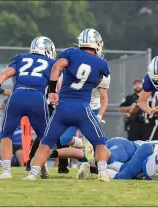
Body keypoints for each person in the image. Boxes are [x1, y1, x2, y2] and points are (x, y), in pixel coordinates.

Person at [24, 28, 111, 182]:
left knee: (46, 143)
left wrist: (52, 91)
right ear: (96, 43)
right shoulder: (102, 63)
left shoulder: (70, 53)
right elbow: (98, 81)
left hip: (63, 108)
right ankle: (103, 172)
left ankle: (33, 173)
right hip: (83, 109)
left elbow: (57, 67)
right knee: (100, 143)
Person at [0, 36, 56, 179]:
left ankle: (6, 172)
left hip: (17, 96)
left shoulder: (20, 58)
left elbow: (4, 75)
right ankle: (35, 171)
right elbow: (56, 85)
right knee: (46, 138)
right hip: (37, 98)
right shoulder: (52, 63)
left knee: (6, 134)